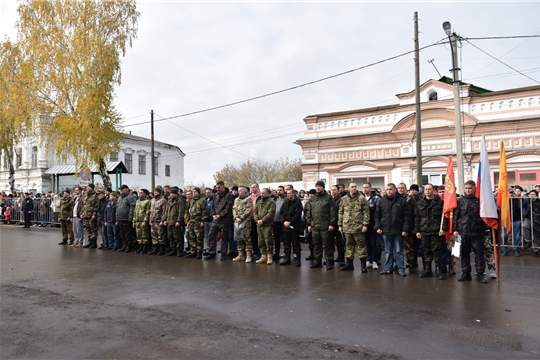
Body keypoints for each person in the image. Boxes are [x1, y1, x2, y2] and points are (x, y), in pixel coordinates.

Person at [453, 180, 488, 284]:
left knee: (479, 254)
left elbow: (486, 215)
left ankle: (480, 274)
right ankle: (466, 273)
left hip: (477, 231)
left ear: (474, 188)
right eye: (466, 188)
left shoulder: (480, 200)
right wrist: (455, 229)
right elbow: (457, 216)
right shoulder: (460, 201)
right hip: (464, 231)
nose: (468, 190)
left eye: (470, 188)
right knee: (464, 254)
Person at [374, 183, 412, 276]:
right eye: (387, 189)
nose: (388, 191)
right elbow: (377, 216)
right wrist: (378, 227)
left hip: (398, 230)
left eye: (390, 189)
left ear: (395, 190)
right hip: (385, 230)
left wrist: (405, 229)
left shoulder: (402, 201)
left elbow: (407, 217)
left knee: (399, 251)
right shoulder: (381, 201)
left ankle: (401, 268)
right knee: (388, 251)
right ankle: (388, 268)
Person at [414, 184, 448, 280]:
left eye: (429, 189)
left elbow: (445, 217)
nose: (427, 191)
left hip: (436, 231)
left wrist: (443, 229)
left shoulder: (440, 202)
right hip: (424, 231)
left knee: (437, 252)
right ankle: (427, 270)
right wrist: (417, 230)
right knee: (426, 252)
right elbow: (417, 217)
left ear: (434, 190)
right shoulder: (420, 203)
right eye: (426, 189)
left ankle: (439, 271)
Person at [338, 182, 370, 272]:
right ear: (348, 188)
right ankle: (349, 264)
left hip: (358, 227)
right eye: (352, 187)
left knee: (361, 246)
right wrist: (340, 225)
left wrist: (365, 224)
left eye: (355, 186)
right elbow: (340, 212)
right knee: (349, 246)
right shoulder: (344, 199)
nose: (354, 188)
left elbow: (366, 212)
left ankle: (363, 265)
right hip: (347, 227)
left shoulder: (361, 198)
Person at [306, 180, 337, 270]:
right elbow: (309, 212)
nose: (318, 188)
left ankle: (329, 261)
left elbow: (333, 212)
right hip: (315, 226)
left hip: (325, 225)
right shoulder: (312, 199)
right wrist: (309, 224)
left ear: (323, 187)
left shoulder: (328, 198)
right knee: (316, 244)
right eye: (317, 186)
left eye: (320, 186)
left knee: (327, 244)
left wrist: (332, 224)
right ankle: (318, 261)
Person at [204, 181, 234, 261]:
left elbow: (228, 207)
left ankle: (224, 254)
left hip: (224, 220)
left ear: (223, 186)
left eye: (219, 187)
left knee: (224, 238)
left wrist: (220, 215)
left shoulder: (229, 195)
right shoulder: (216, 195)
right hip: (215, 219)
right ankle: (212, 253)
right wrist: (213, 214)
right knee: (211, 235)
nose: (217, 189)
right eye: (216, 188)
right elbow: (213, 206)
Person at [280, 189, 303, 266]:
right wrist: (284, 221)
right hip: (286, 225)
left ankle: (298, 260)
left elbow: (297, 214)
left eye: (289, 193)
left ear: (293, 194)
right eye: (287, 193)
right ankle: (287, 259)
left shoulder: (298, 202)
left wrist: (290, 222)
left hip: (294, 226)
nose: (288, 195)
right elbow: (282, 212)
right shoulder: (286, 202)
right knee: (286, 243)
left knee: (296, 243)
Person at [254, 188, 276, 265]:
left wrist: (262, 220)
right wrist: (257, 220)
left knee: (268, 240)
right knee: (260, 241)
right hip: (259, 225)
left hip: (267, 225)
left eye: (264, 193)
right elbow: (255, 212)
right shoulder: (259, 202)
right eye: (261, 193)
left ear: (268, 194)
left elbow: (271, 214)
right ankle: (263, 256)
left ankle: (269, 256)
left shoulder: (271, 202)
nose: (262, 194)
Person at [232, 186, 253, 263]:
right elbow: (234, 209)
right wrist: (236, 217)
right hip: (237, 222)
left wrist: (241, 217)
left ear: (245, 191)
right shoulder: (236, 200)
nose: (239, 192)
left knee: (247, 239)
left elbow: (249, 209)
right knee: (239, 238)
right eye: (238, 190)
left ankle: (248, 255)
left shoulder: (248, 199)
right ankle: (240, 255)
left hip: (245, 222)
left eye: (240, 190)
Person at [362, 182, 381, 269]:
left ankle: (375, 260)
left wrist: (377, 224)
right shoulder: (361, 198)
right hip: (364, 225)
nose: (365, 189)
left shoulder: (376, 198)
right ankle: (368, 259)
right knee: (367, 243)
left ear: (370, 188)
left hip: (373, 224)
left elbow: (378, 213)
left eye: (366, 187)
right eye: (363, 187)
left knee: (374, 243)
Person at [186, 187, 208, 259]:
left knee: (199, 238)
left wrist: (202, 221)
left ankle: (199, 252)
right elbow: (187, 211)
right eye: (193, 192)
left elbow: (204, 212)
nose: (194, 193)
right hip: (191, 222)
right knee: (191, 237)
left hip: (198, 222)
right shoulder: (191, 201)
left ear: (198, 192)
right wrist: (188, 220)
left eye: (195, 192)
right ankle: (193, 251)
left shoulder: (202, 201)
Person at [164, 187, 185, 257]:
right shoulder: (169, 201)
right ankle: (173, 249)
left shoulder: (179, 201)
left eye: (173, 193)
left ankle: (179, 250)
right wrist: (165, 219)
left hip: (175, 222)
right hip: (169, 221)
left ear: (176, 194)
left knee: (177, 237)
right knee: (170, 237)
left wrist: (179, 221)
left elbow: (181, 212)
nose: (171, 195)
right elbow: (166, 211)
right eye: (171, 193)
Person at [116, 184, 136, 252]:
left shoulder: (130, 197)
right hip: (120, 218)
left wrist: (130, 217)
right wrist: (117, 218)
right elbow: (117, 208)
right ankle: (124, 245)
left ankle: (128, 246)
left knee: (128, 234)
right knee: (122, 233)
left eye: (122, 189)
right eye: (120, 189)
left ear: (127, 189)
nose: (121, 191)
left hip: (127, 219)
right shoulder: (120, 198)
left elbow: (132, 208)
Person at [148, 186, 168, 256]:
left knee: (161, 236)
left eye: (156, 191)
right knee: (153, 235)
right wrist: (150, 220)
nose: (155, 192)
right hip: (153, 221)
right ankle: (155, 248)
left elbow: (164, 211)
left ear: (159, 192)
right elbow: (151, 211)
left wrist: (163, 220)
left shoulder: (163, 200)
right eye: (154, 191)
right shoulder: (152, 200)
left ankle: (161, 249)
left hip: (159, 221)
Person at [133, 189, 151, 254]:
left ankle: (145, 248)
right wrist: (134, 221)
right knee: (138, 235)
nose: (140, 194)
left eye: (141, 193)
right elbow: (135, 211)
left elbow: (147, 212)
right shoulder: (137, 201)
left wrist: (145, 221)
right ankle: (140, 247)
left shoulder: (147, 201)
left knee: (144, 235)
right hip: (137, 221)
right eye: (139, 193)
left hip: (143, 221)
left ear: (145, 194)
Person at [82, 184, 99, 249]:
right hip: (86, 215)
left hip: (91, 215)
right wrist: (82, 213)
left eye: (89, 187)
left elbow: (96, 206)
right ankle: (90, 242)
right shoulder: (86, 195)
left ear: (92, 188)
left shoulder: (95, 195)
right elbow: (84, 205)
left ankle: (94, 243)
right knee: (88, 228)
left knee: (93, 229)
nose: (87, 188)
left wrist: (94, 214)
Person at [273, 185, 286, 262]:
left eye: (280, 190)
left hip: (283, 222)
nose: (279, 191)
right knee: (276, 239)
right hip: (275, 222)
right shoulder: (274, 199)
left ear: (284, 191)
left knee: (285, 239)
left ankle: (286, 253)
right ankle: (276, 253)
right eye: (278, 190)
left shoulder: (286, 199)